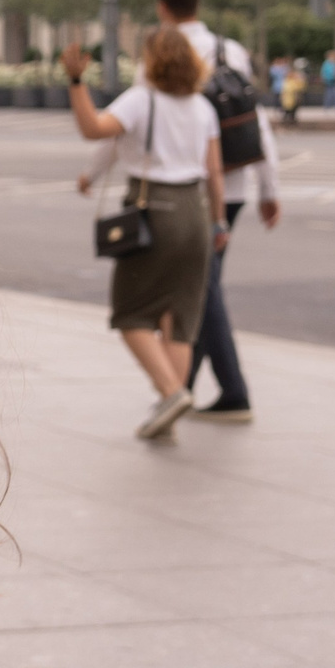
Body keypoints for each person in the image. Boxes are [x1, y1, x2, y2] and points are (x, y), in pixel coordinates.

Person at [88, 0, 279, 422]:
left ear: (162, 6)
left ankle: (218, 391)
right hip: (230, 188)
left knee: (196, 293)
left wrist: (91, 174)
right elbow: (255, 120)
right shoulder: (229, 50)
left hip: (187, 190)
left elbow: (125, 129)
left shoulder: (157, 54)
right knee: (191, 291)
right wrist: (268, 186)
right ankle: (180, 390)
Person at [63, 29, 226, 440]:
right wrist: (219, 221)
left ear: (151, 61)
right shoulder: (202, 107)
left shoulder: (141, 99)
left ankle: (171, 393)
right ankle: (168, 410)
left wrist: (76, 82)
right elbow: (215, 172)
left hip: (154, 208)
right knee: (178, 317)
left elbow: (94, 129)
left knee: (130, 310)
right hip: (195, 212)